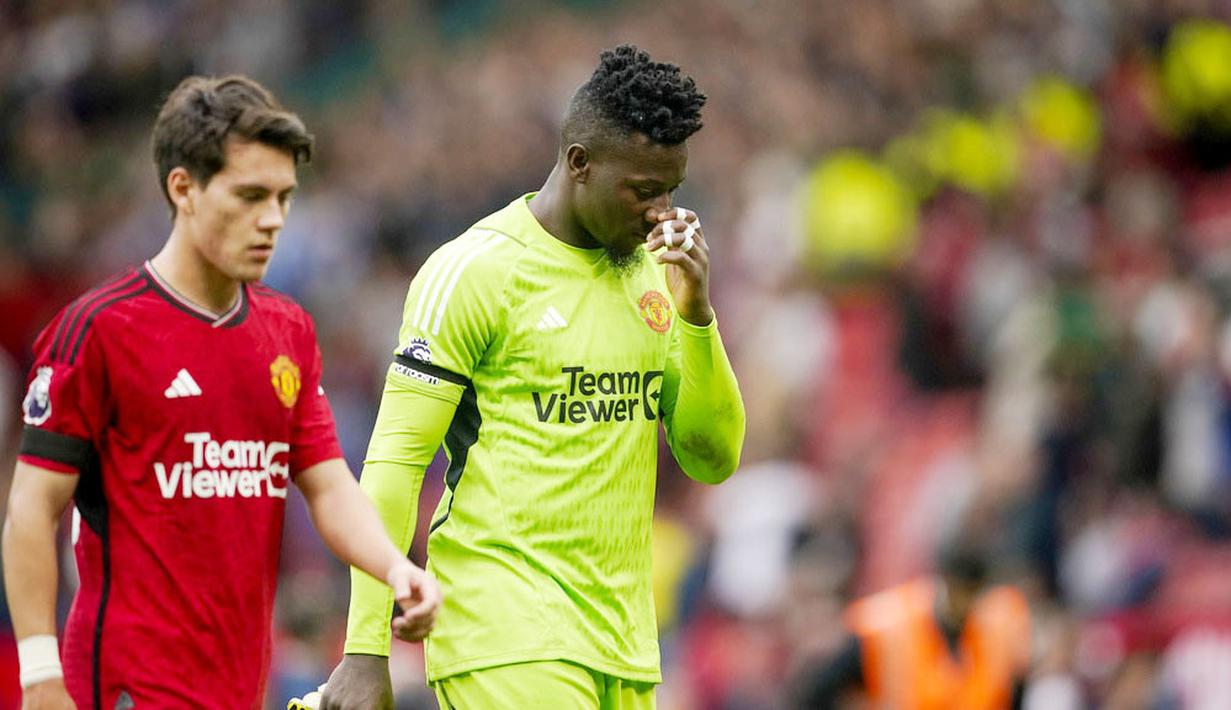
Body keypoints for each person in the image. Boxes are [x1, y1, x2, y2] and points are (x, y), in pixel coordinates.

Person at [317, 45, 745, 709]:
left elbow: (711, 458)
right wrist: (366, 648)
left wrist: (696, 314)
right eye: (641, 190)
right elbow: (396, 463)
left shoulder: (656, 276)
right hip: (503, 630)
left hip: (623, 645)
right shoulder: (474, 272)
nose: (661, 212)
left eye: (671, 190)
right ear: (579, 164)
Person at [2, 75, 442, 710]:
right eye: (250, 196)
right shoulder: (98, 332)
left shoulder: (285, 331)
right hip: (124, 687)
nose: (272, 220)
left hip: (240, 686)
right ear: (183, 188)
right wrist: (39, 672)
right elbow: (31, 509)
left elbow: (327, 484)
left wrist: (393, 567)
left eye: (284, 198)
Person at [791, 544, 1031, 710]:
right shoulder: (893, 625)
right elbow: (818, 690)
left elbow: (1017, 689)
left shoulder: (1000, 627)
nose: (965, 605)